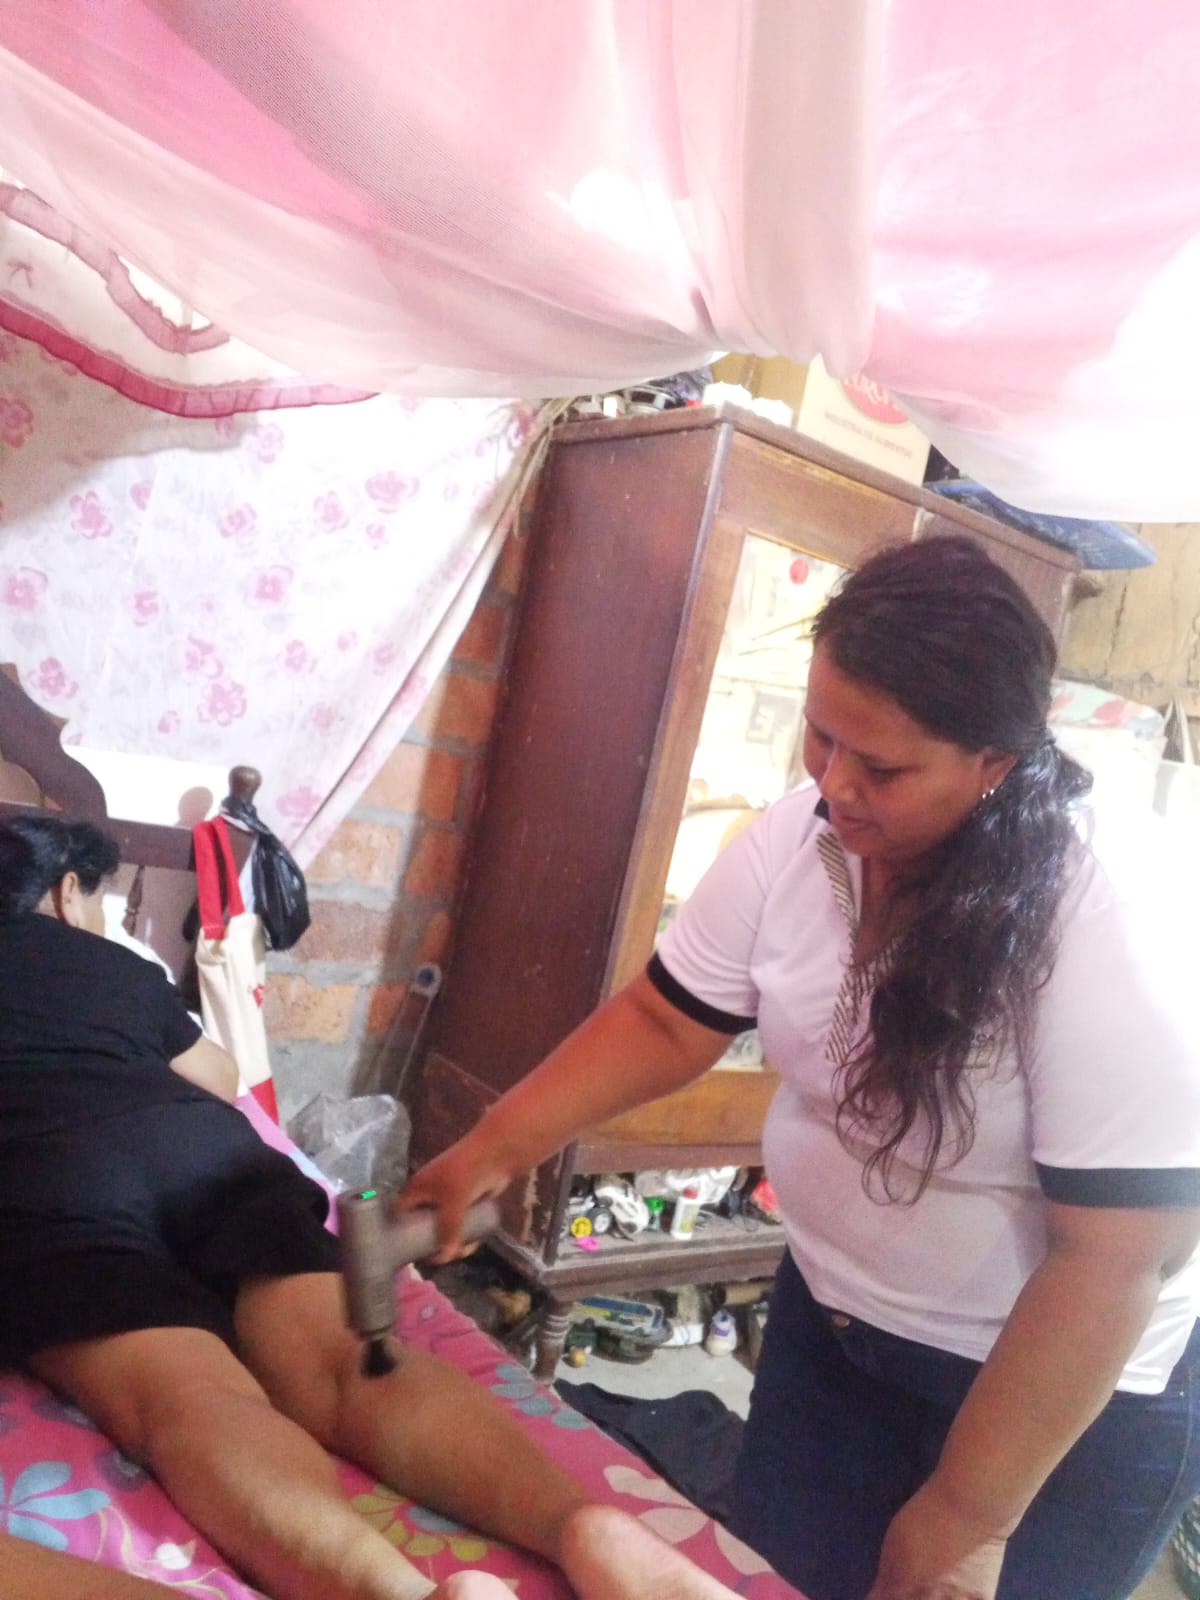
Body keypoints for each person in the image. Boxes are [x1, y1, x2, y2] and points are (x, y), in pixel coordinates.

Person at [403, 535, 1200, 1600]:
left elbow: (1116, 1257)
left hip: (1054, 1409)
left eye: (884, 767)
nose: (835, 785)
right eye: (821, 735)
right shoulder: (802, 837)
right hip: (833, 1331)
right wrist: (492, 1150)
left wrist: (969, 1515)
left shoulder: (1108, 912)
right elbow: (665, 1019)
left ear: (994, 764)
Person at [0, 812, 758, 1600]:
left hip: (47, 1177)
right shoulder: (106, 962)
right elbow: (220, 1079)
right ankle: (583, 1526)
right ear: (64, 894)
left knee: (193, 1398)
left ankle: (403, 1594)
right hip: (203, 1151)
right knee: (347, 1364)